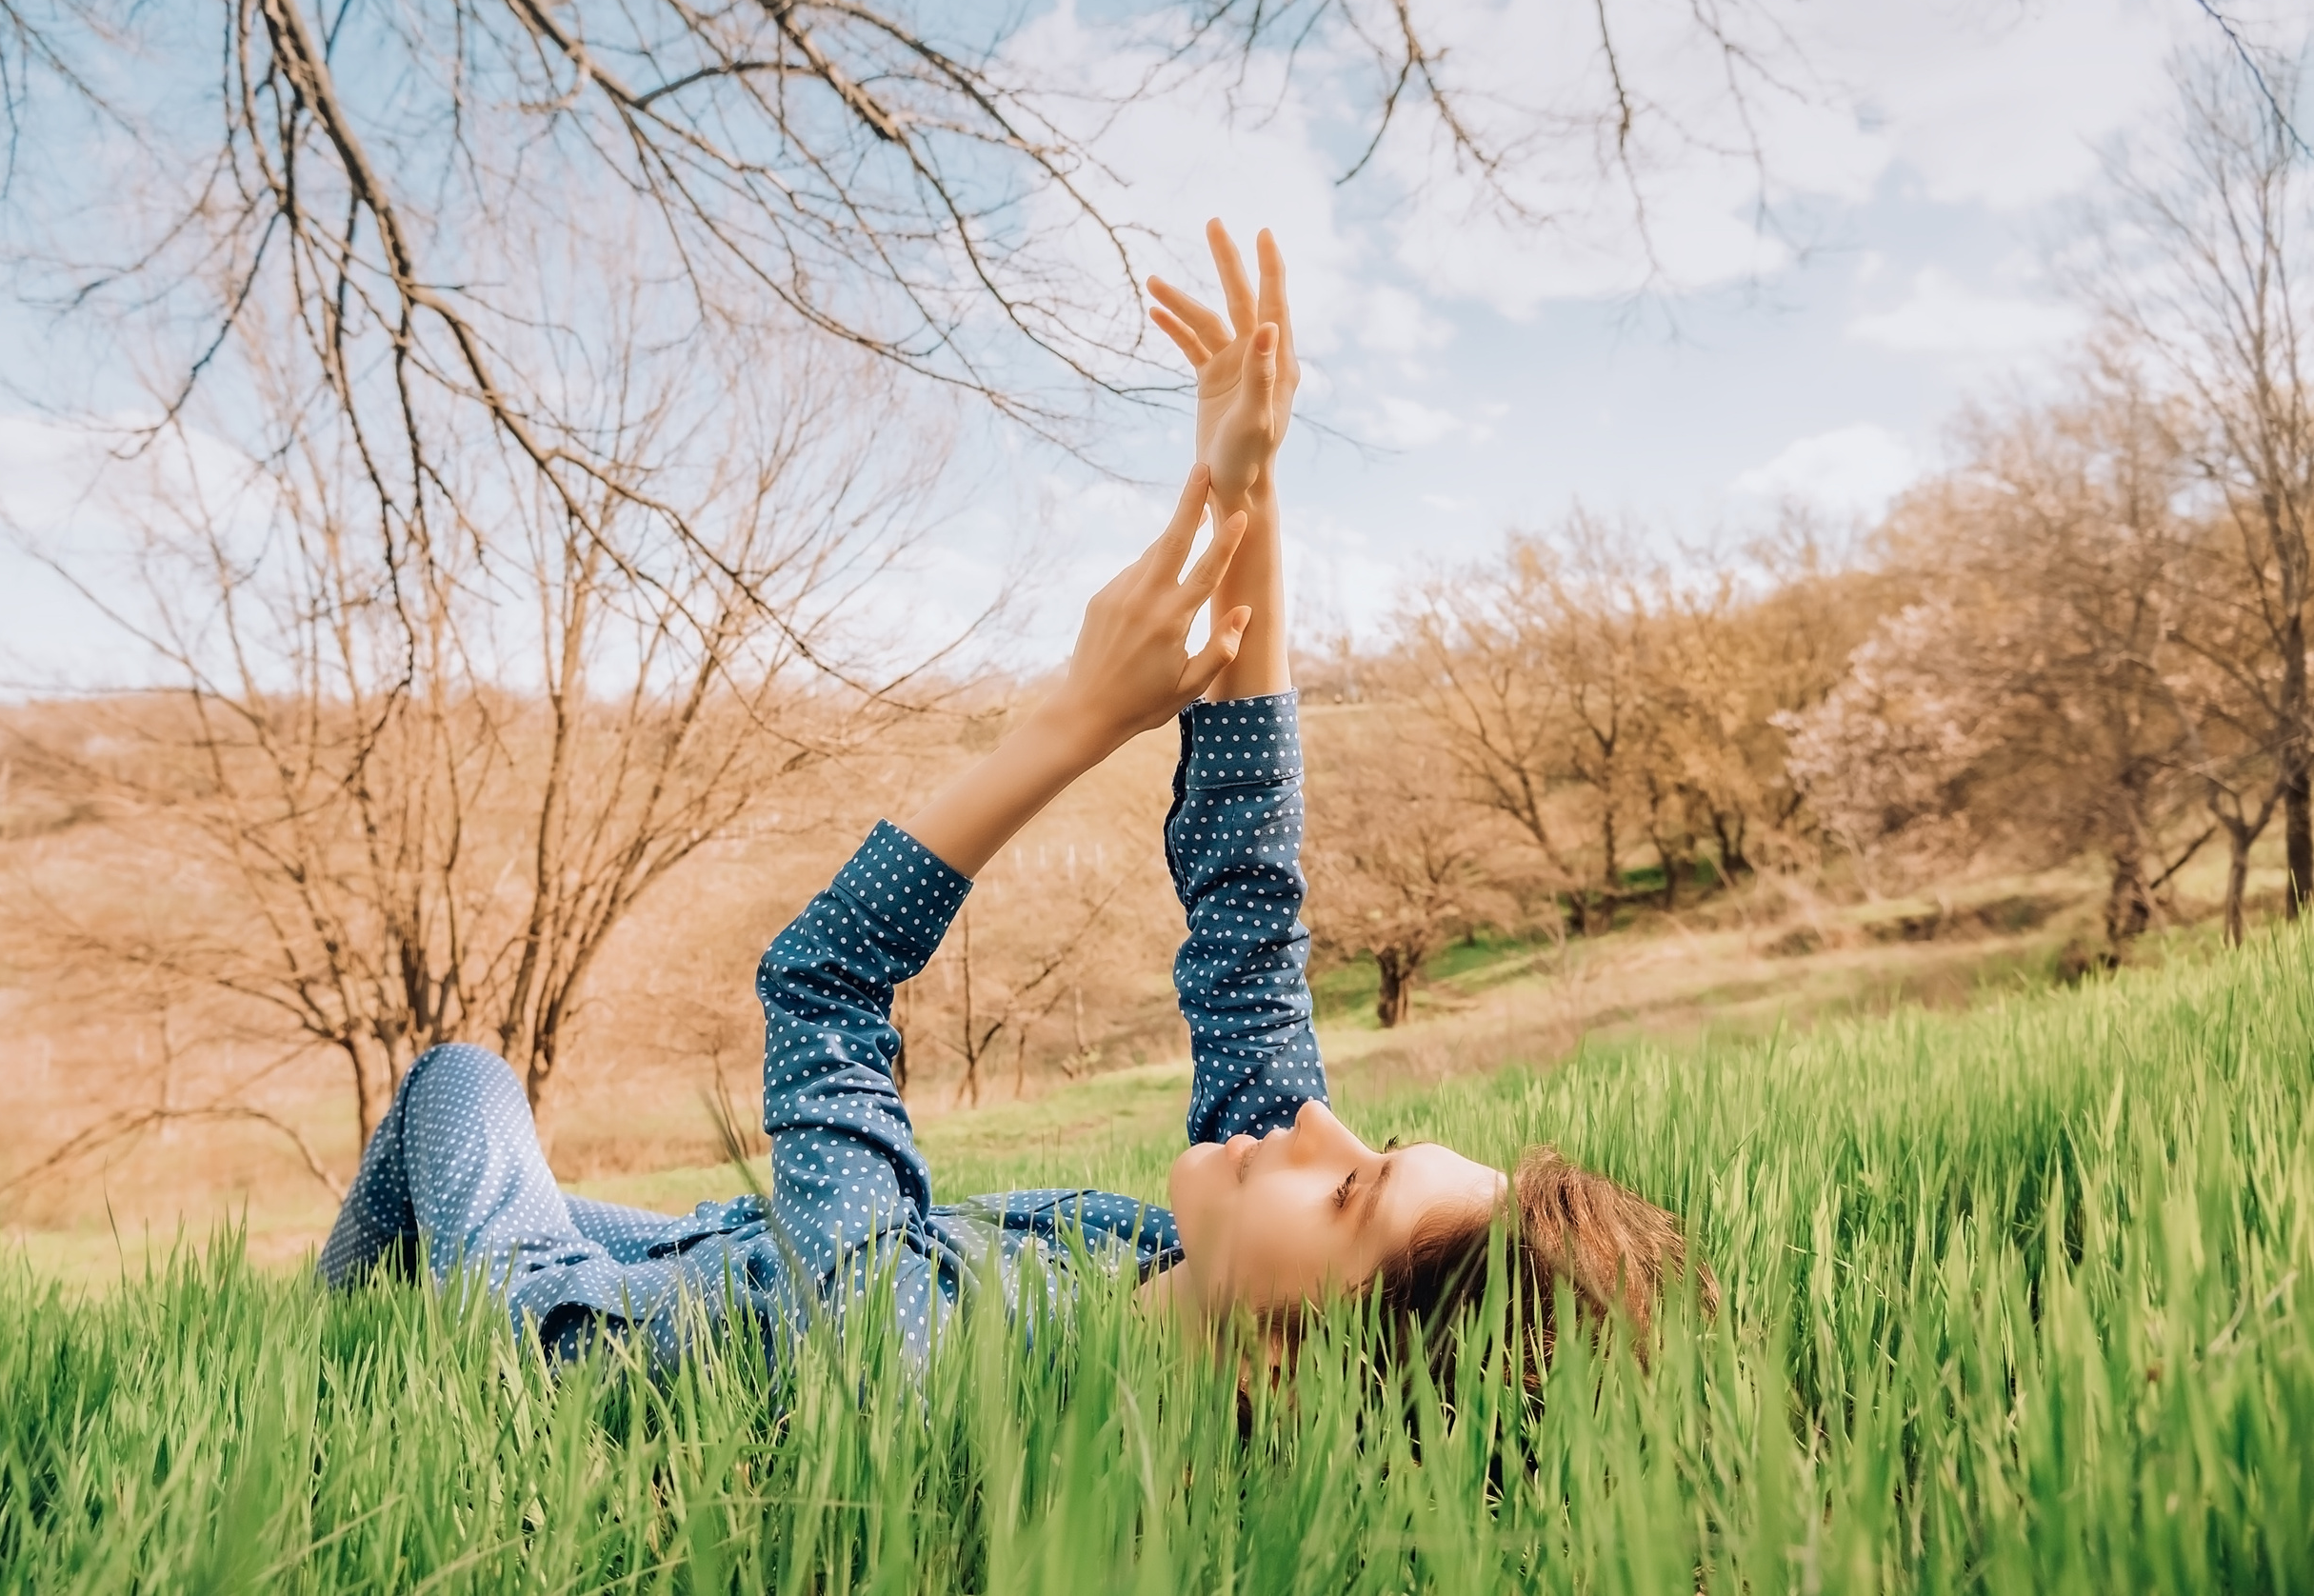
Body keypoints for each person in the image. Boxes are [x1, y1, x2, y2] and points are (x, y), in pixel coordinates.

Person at [318, 223, 1711, 1381]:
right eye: (1377, 1144)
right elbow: (1247, 914)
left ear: (1299, 1362)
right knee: (638, 1202)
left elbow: (822, 982)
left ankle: (329, 1346)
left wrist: (1076, 718)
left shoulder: (934, 1362)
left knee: (460, 1079)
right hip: (725, 1257)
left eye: (1352, 1190)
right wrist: (1247, 497)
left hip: (579, 1333)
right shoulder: (1203, 1265)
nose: (1315, 1128)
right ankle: (354, 1319)